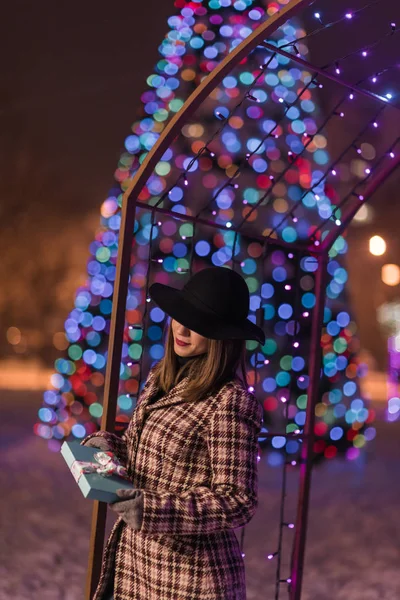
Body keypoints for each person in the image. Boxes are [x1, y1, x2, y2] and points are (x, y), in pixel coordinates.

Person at [81, 266, 265, 600]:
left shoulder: (231, 402)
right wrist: (105, 447)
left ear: (223, 335)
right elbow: (150, 455)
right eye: (181, 316)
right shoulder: (162, 377)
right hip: (137, 564)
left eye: (198, 324)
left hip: (189, 578)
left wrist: (151, 509)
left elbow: (239, 500)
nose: (182, 329)